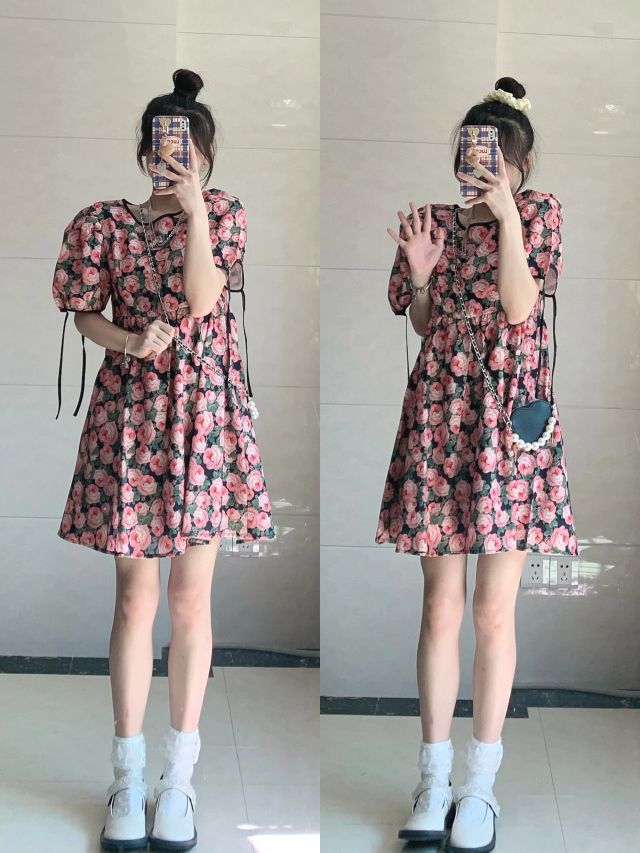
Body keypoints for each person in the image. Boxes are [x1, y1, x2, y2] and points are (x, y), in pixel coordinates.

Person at [51, 68, 276, 851]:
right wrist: (128, 339)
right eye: (161, 147)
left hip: (206, 418)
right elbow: (83, 312)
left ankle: (179, 778)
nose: (172, 159)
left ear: (204, 154)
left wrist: (196, 211)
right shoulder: (102, 223)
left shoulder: (225, 213)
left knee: (190, 600)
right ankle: (127, 775)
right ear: (145, 149)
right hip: (133, 415)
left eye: (186, 148)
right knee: (133, 600)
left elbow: (205, 299)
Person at [375, 77, 581, 852]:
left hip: (510, 425)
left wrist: (507, 219)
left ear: (519, 163)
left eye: (495, 157)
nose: (479, 168)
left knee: (494, 611)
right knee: (440, 606)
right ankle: (432, 779)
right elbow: (426, 321)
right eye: (470, 153)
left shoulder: (539, 213)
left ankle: (480, 787)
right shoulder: (432, 221)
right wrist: (420, 271)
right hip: (442, 415)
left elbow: (522, 308)